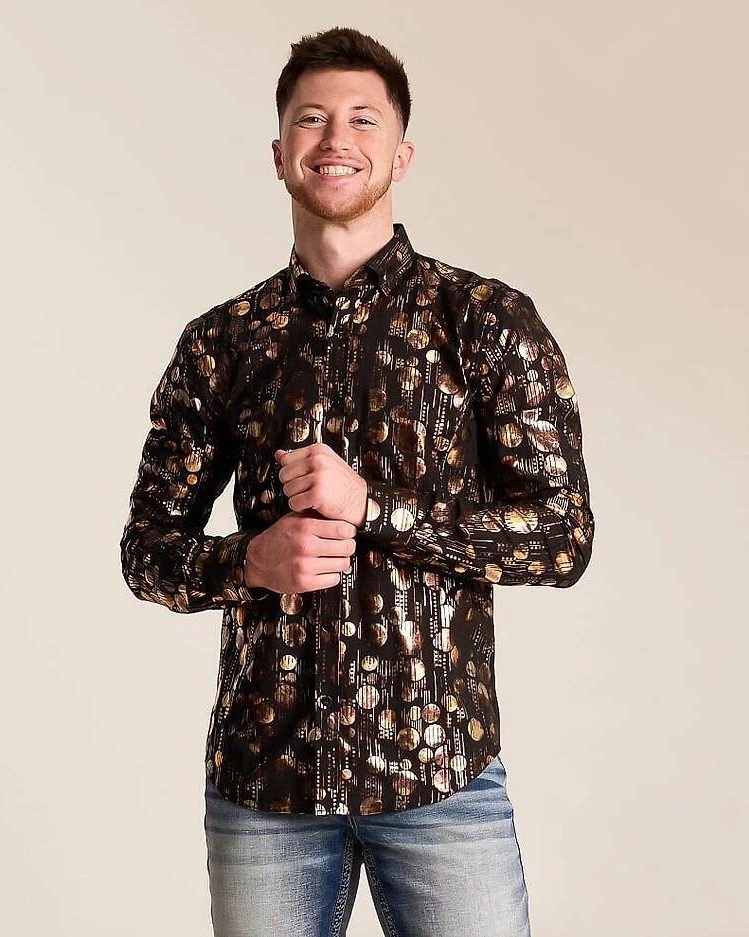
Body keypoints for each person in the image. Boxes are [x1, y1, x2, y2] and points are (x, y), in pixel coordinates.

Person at [120, 25, 594, 937]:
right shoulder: (223, 341)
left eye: (363, 119)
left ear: (400, 155)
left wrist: (374, 508)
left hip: (440, 777)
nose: (336, 137)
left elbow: (562, 539)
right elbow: (146, 550)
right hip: (265, 783)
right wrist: (247, 562)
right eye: (311, 118)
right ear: (279, 153)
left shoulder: (486, 321)